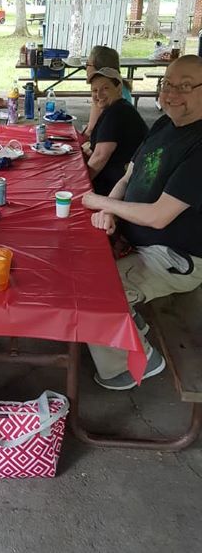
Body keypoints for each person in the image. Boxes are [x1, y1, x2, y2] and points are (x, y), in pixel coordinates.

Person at [82, 55, 202, 390]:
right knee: (75, 261)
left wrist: (98, 202)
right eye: (168, 84)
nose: (173, 93)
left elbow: (159, 216)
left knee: (93, 293)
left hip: (175, 257)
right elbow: (129, 175)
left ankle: (135, 365)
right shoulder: (166, 125)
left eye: (186, 86)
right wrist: (111, 208)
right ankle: (130, 323)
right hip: (141, 240)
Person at [84, 67, 148, 195]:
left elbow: (100, 157)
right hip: (123, 180)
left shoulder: (117, 113)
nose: (99, 94)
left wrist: (79, 185)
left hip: (118, 187)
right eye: (94, 90)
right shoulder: (119, 108)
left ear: (119, 88)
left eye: (105, 88)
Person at [83, 45, 133, 137]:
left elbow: (91, 130)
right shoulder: (119, 85)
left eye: (87, 64)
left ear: (99, 69)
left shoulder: (101, 94)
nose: (86, 68)